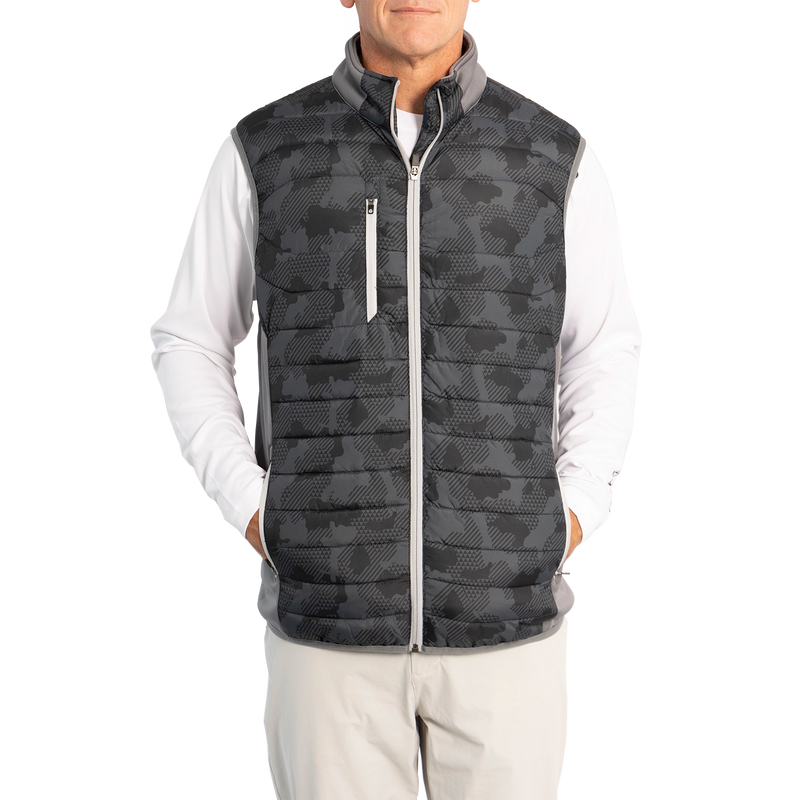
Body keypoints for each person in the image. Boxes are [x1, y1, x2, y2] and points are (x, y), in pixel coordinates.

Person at [147, 1, 645, 798]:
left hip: (507, 628)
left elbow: (605, 348)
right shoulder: (267, 148)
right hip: (327, 632)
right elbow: (189, 340)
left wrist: (576, 509)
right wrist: (252, 507)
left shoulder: (553, 156)